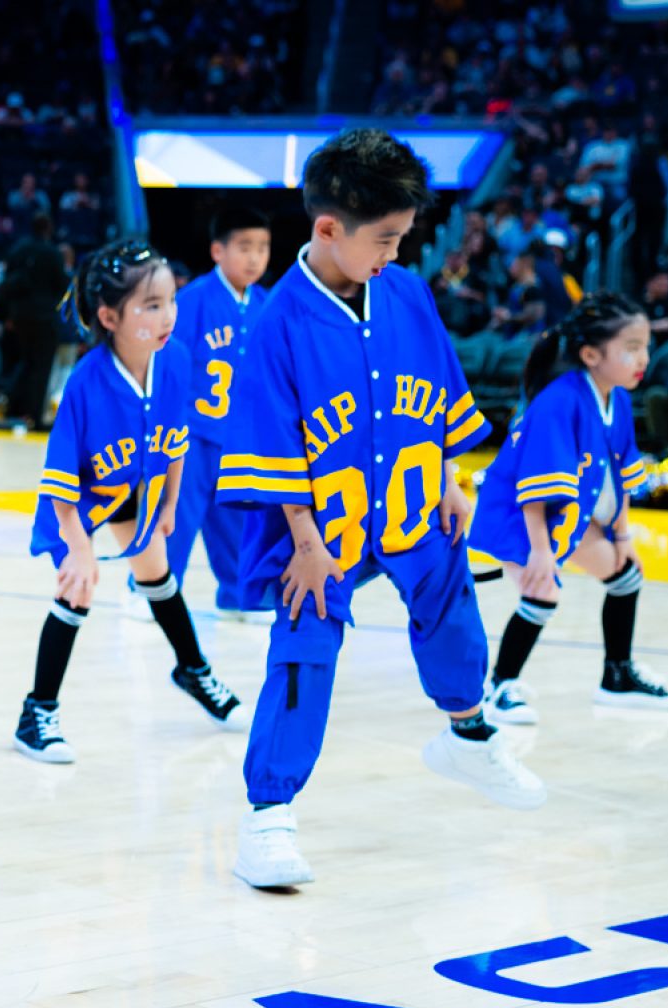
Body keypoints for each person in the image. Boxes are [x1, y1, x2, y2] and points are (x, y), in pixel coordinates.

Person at [216, 129, 546, 890]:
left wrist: (455, 475)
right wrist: (302, 541)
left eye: (404, 237)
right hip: (320, 528)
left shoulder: (405, 290)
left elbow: (437, 378)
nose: (395, 253)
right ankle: (266, 818)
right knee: (304, 650)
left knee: (455, 610)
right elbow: (268, 435)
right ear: (328, 228)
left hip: (409, 498)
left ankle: (469, 735)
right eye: (386, 239)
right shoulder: (276, 327)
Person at [15, 240, 245, 764]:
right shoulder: (85, 383)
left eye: (171, 301)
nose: (169, 316)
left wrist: (165, 507)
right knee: (77, 590)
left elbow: (178, 438)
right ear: (109, 317)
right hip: (76, 501)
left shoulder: (176, 359)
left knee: (159, 578)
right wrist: (78, 549)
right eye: (151, 306)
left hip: (132, 490)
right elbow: (58, 485)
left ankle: (194, 671)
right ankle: (37, 713)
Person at [473, 292, 668, 722]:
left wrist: (621, 536)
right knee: (542, 592)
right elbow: (534, 489)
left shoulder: (614, 396)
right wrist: (540, 553)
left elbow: (620, 475)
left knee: (625, 576)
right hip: (522, 515)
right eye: (632, 348)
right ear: (591, 354)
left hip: (567, 514)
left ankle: (617, 677)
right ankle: (497, 689)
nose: (644, 358)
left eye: (646, 347)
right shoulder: (559, 401)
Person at [164, 206, 272, 621]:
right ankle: (148, 588)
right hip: (191, 434)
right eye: (244, 247)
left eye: (262, 248)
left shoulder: (266, 304)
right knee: (176, 514)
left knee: (238, 521)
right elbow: (171, 364)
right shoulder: (192, 300)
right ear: (217, 251)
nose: (254, 258)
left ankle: (238, 593)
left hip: (239, 439)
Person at [0, 214, 68, 429]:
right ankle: (35, 417)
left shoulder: (18, 250)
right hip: (44, 318)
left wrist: (7, 315)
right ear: (49, 228)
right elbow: (62, 286)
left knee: (25, 363)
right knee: (41, 368)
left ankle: (13, 410)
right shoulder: (52, 252)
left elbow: (5, 284)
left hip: (20, 317)